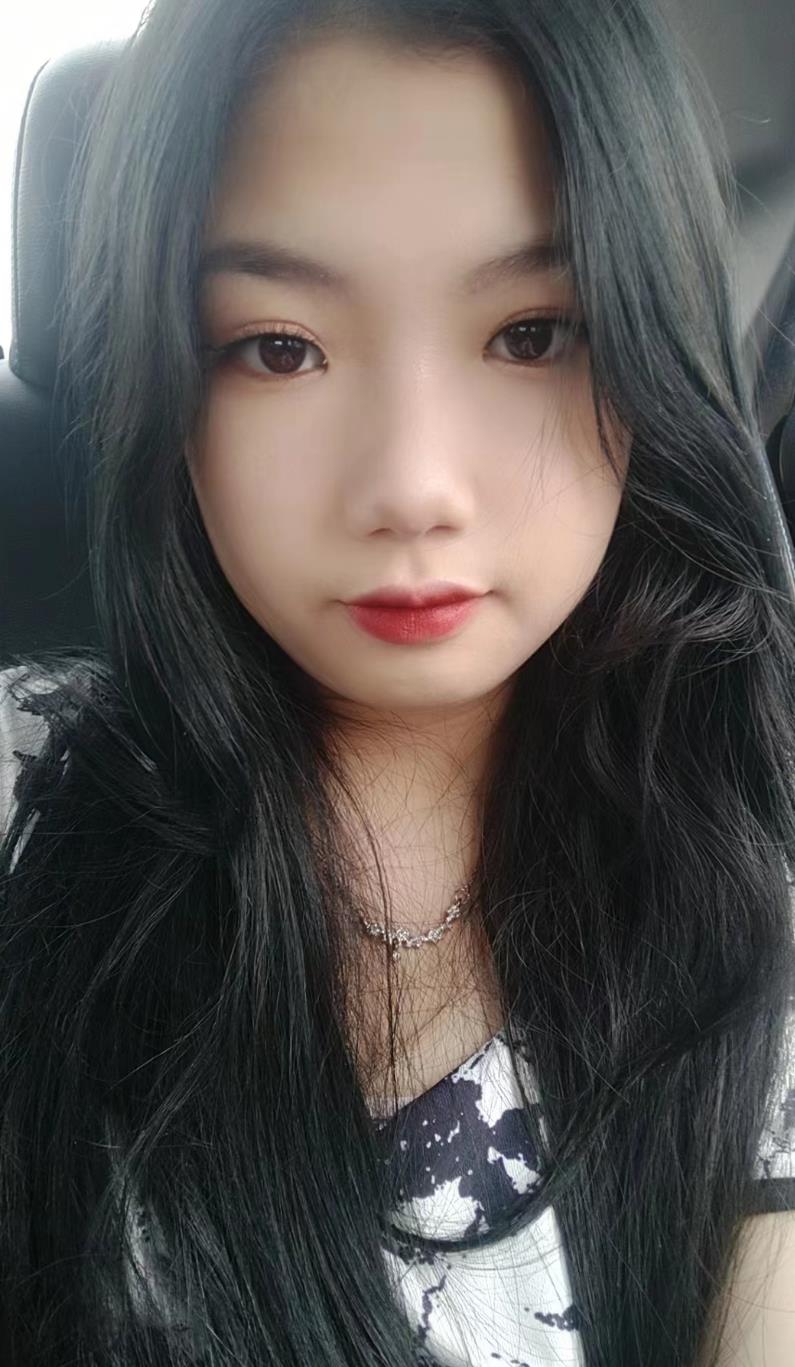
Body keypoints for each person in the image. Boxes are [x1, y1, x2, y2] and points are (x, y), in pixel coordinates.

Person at [1, 0, 795, 1363]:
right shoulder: (29, 787)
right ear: (166, 380)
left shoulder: (750, 903)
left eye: (532, 334)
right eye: (279, 346)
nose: (413, 485)